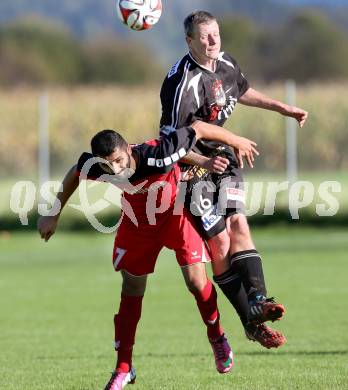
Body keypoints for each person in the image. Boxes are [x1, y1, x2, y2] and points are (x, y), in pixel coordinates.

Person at [37, 121, 258, 389]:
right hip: (137, 224)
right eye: (108, 166)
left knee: (195, 281)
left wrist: (213, 157)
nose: (115, 170)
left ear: (128, 150)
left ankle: (217, 337)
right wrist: (54, 213)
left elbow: (197, 129)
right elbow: (75, 171)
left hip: (175, 217)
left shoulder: (157, 153)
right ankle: (123, 367)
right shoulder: (98, 165)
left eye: (119, 161)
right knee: (131, 288)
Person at [160, 10, 308, 349]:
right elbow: (170, 143)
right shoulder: (181, 84)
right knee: (221, 244)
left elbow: (241, 90)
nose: (213, 41)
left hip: (223, 160)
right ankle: (249, 322)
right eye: (204, 37)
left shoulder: (225, 62)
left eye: (216, 34)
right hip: (192, 170)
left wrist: (283, 108)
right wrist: (204, 160)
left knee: (239, 224)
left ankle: (259, 299)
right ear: (189, 42)